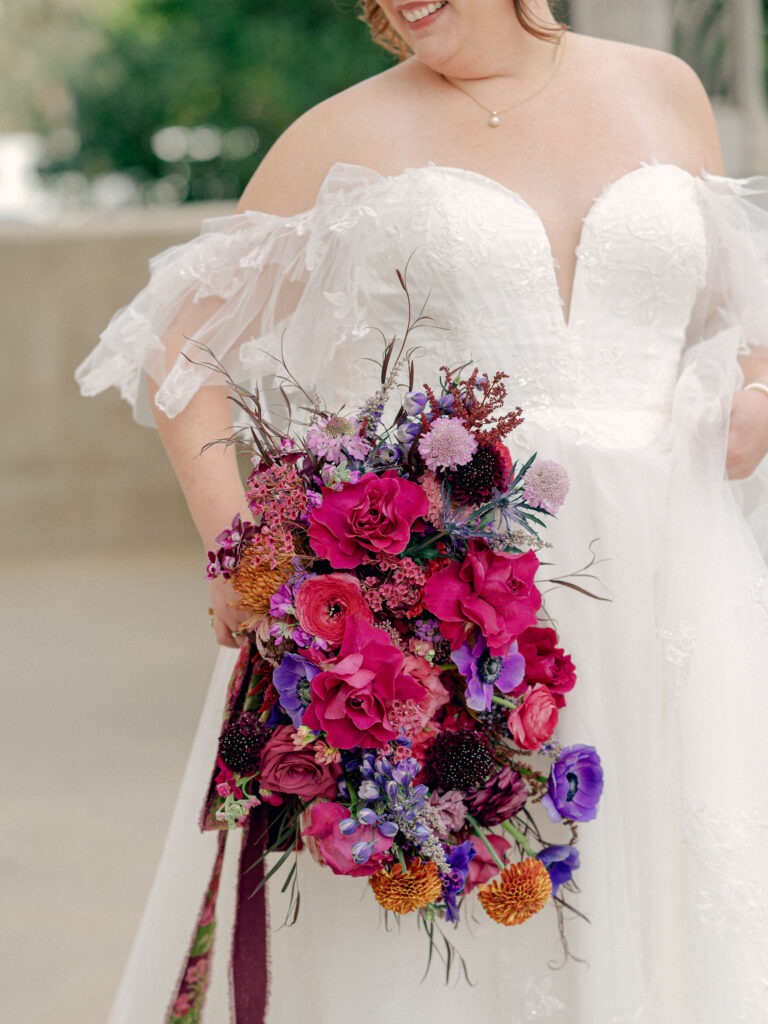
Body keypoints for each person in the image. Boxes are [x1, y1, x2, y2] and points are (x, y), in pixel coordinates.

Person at [76, 1, 768, 1021]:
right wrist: (249, 557)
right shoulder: (342, 132)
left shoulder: (661, 89)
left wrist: (755, 393)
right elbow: (180, 347)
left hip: (679, 600)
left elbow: (739, 317)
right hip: (471, 626)